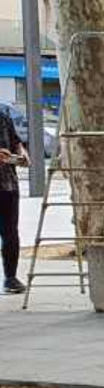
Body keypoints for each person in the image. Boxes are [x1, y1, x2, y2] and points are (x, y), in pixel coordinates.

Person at [1, 109, 23, 293]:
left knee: (10, 233)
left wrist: (22, 155)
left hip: (8, 184)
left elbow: (16, 141)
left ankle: (11, 277)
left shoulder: (3, 115)